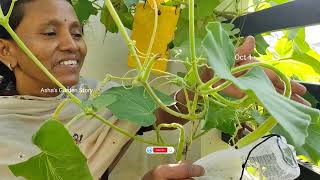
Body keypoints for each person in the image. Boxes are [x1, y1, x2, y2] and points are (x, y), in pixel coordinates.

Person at [0, 0, 309, 180]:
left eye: (77, 32)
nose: (71, 45)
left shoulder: (96, 96)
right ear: (6, 51)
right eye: (50, 32)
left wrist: (210, 82)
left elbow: (158, 110)